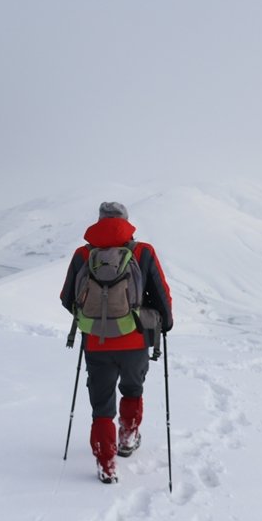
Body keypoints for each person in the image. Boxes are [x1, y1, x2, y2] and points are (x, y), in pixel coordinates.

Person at [60, 201, 173, 484]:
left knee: (101, 405)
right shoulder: (143, 252)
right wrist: (165, 323)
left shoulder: (82, 254)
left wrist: (93, 319)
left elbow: (67, 298)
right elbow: (161, 294)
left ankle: (106, 464)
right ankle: (127, 437)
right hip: (134, 339)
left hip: (96, 343)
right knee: (132, 390)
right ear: (125, 221)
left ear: (99, 221)